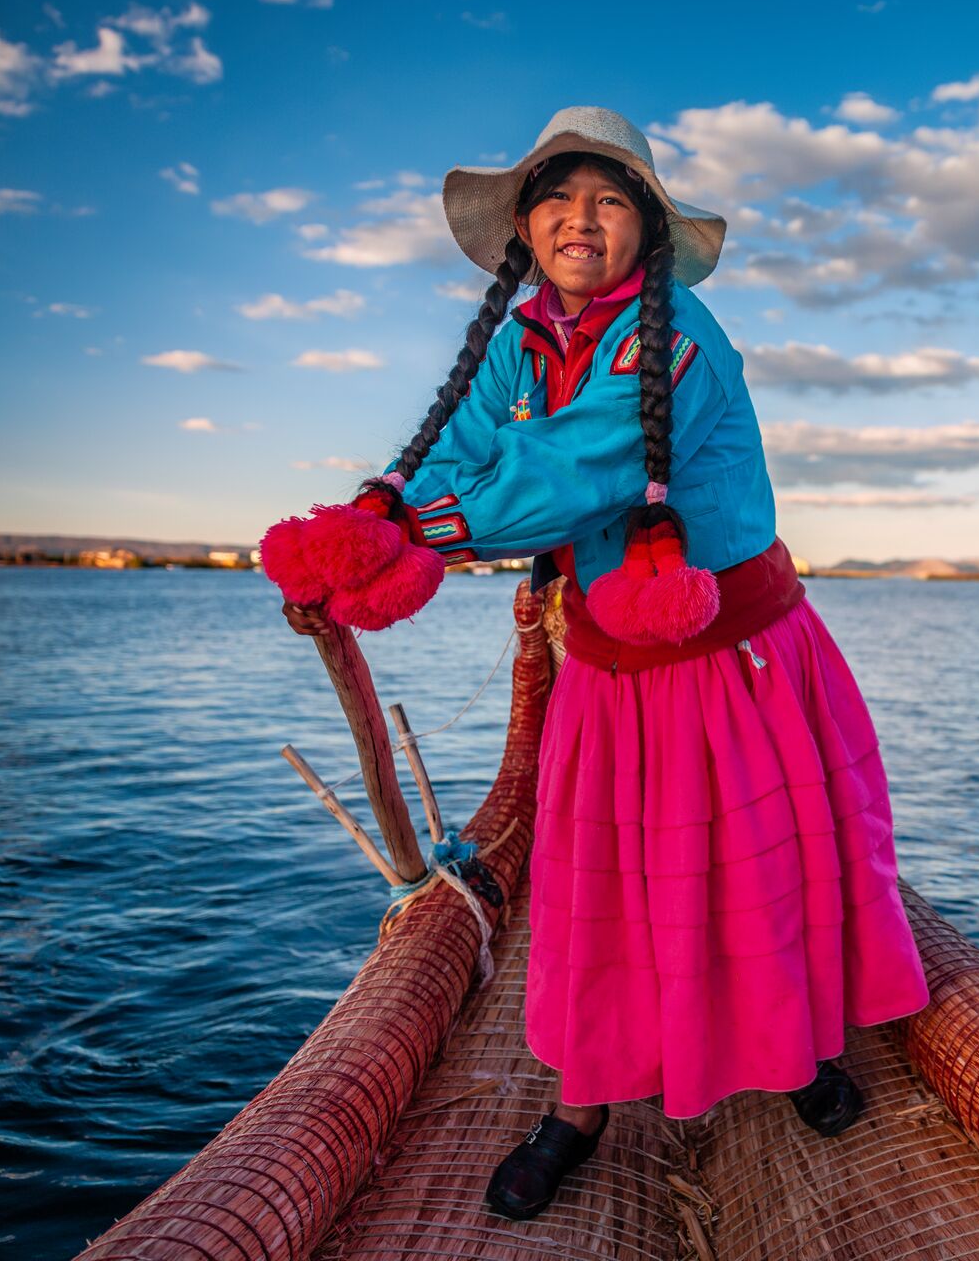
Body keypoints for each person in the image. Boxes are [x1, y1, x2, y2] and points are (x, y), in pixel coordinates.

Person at [275, 106, 931, 1222]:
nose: (583, 217)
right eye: (559, 197)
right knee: (595, 890)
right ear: (525, 226)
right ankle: (582, 1105)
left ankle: (800, 1052)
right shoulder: (524, 336)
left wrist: (405, 539)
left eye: (612, 198)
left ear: (647, 234)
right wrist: (362, 518)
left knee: (760, 865)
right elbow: (462, 447)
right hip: (614, 660)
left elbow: (567, 473)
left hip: (733, 655)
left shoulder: (677, 340)